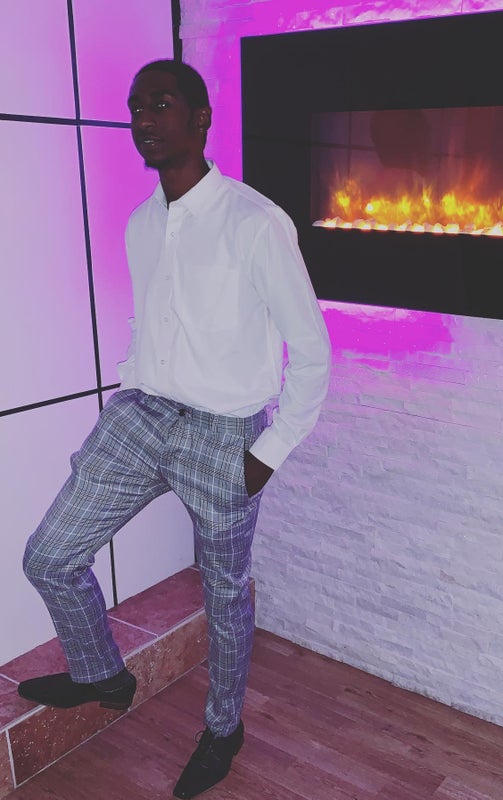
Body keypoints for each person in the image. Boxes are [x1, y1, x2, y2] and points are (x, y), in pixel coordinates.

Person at [18, 59, 331, 799]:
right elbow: (155, 320)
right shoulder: (143, 223)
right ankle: (102, 674)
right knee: (50, 556)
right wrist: (130, 389)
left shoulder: (256, 223)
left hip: (224, 437)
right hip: (144, 416)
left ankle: (224, 728)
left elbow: (313, 352)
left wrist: (268, 451)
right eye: (136, 108)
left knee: (224, 593)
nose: (143, 121)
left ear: (200, 118)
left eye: (160, 105)